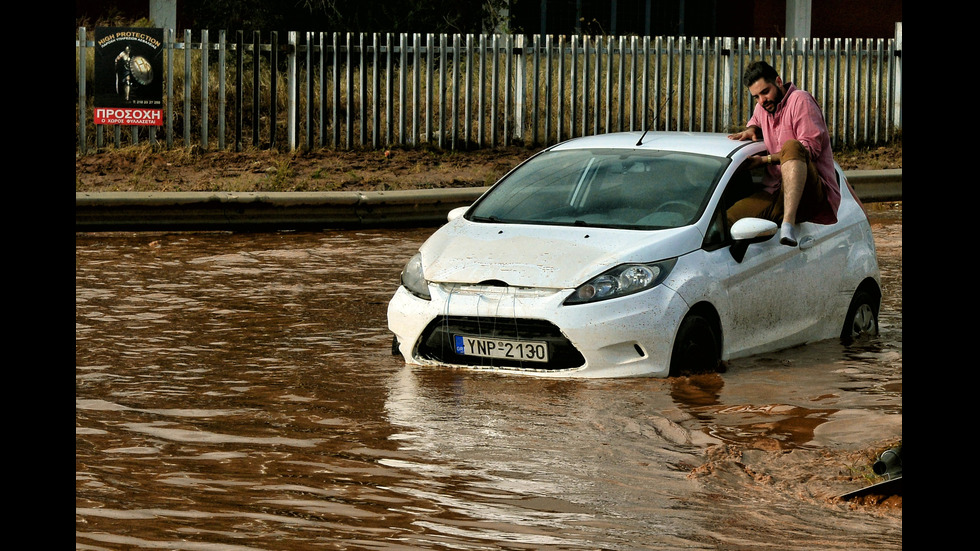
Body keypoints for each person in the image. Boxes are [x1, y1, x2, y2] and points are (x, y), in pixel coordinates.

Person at [727, 61, 840, 246]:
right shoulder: (763, 107)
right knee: (727, 221)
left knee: (793, 146)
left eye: (765, 92)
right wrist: (752, 128)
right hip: (774, 190)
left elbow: (809, 150)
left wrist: (765, 160)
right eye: (756, 97)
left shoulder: (800, 100)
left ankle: (788, 224)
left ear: (778, 82)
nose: (762, 100)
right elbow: (756, 119)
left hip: (810, 191)